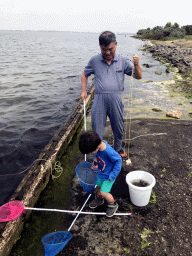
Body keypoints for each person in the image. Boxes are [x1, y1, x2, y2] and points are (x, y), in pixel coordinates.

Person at [81, 31, 142, 158]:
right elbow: (84, 74)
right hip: (99, 99)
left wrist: (136, 65)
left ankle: (118, 148)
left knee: (118, 127)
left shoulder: (123, 60)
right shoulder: (94, 60)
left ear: (116, 44)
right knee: (96, 130)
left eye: (110, 49)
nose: (107, 53)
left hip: (116, 99)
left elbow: (138, 76)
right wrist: (83, 90)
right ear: (100, 47)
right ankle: (97, 158)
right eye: (104, 49)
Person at [79, 130, 122, 217]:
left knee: (103, 192)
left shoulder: (108, 151)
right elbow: (101, 159)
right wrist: (97, 165)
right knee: (98, 189)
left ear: (97, 147)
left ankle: (112, 204)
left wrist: (112, 176)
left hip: (108, 177)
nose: (91, 153)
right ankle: (99, 200)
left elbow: (118, 160)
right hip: (101, 173)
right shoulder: (98, 145)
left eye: (91, 152)